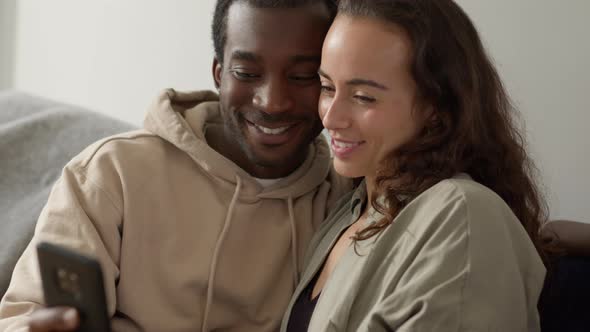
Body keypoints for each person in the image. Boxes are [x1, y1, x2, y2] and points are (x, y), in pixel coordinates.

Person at [0, 0, 352, 331]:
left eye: (303, 76)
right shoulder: (110, 174)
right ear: (219, 74)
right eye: (246, 72)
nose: (273, 102)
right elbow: (19, 317)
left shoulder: (346, 202)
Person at [281, 0, 548, 331]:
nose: (331, 117)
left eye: (363, 96)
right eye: (327, 88)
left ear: (435, 106)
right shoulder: (351, 210)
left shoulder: (462, 213)